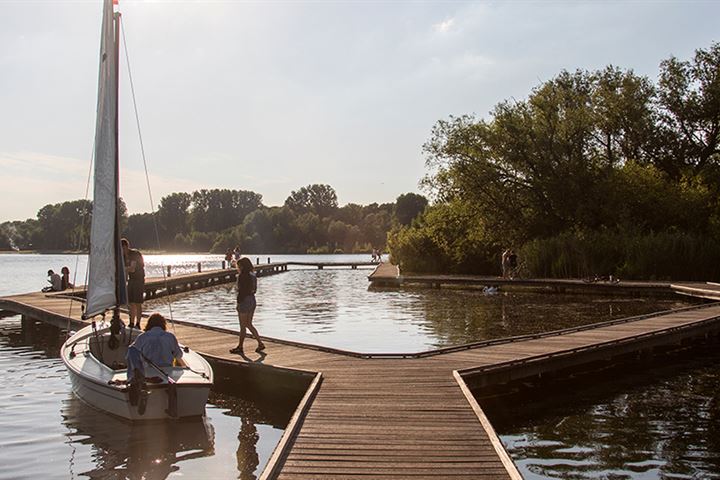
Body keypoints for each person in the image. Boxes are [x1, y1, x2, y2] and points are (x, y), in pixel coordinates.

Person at [230, 257, 265, 355]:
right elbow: (254, 290)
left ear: (242, 266)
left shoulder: (241, 276)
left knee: (242, 326)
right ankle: (260, 343)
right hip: (252, 300)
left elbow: (241, 290)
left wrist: (239, 302)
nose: (238, 267)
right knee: (249, 324)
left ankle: (240, 347)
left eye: (239, 265)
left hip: (244, 300)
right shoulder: (253, 275)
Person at [121, 238, 145, 329]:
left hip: (139, 279)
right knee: (131, 302)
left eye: (122, 248)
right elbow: (127, 271)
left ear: (126, 247)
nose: (121, 251)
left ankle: (138, 323)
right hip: (131, 280)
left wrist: (122, 269)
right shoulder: (123, 257)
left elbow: (132, 268)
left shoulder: (134, 254)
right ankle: (131, 322)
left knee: (138, 302)